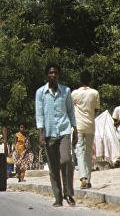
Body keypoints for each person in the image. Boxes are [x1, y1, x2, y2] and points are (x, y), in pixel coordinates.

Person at [35, 64, 77, 207]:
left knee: (66, 161)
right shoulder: (40, 93)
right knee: (53, 168)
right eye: (51, 73)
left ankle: (68, 193)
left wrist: (75, 128)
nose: (53, 75)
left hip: (64, 131)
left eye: (56, 73)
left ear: (59, 75)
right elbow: (39, 114)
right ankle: (58, 197)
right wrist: (40, 134)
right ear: (47, 75)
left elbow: (71, 110)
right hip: (48, 134)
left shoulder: (66, 91)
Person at [71, 71, 100, 189]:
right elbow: (96, 110)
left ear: (80, 80)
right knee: (88, 153)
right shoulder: (95, 93)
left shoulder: (75, 93)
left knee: (80, 152)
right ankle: (88, 179)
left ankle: (83, 178)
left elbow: (70, 109)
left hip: (79, 126)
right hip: (90, 126)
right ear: (90, 80)